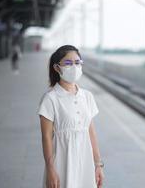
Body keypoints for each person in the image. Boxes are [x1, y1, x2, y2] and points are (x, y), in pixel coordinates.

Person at [37, 45, 105, 188]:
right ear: (57, 68)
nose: (74, 67)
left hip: (85, 161)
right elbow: (46, 137)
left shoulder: (87, 96)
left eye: (77, 62)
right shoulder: (50, 99)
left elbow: (91, 131)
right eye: (68, 63)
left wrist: (98, 164)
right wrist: (50, 169)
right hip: (62, 162)